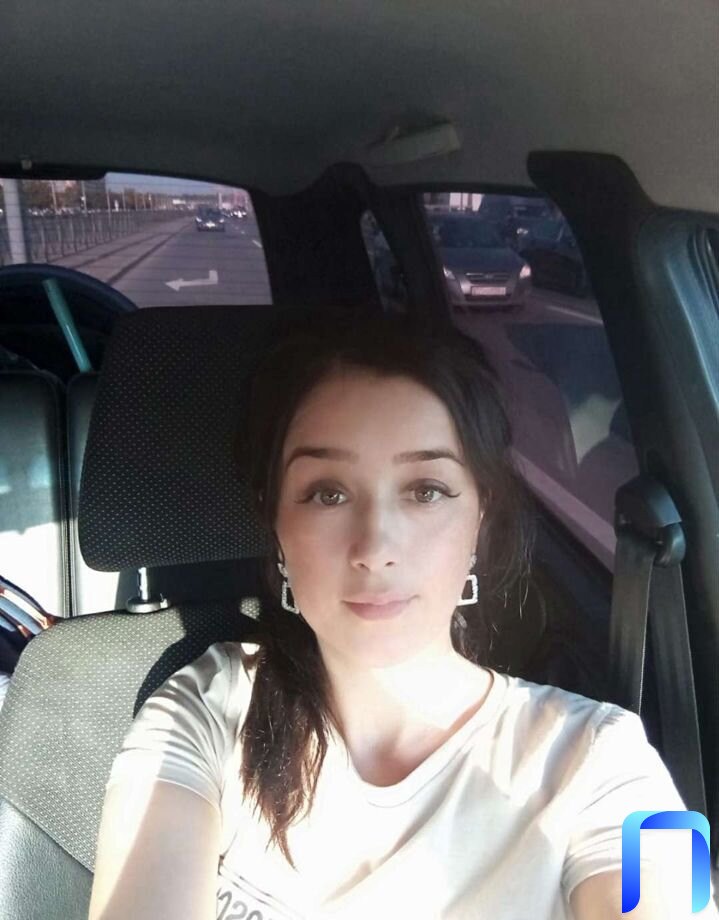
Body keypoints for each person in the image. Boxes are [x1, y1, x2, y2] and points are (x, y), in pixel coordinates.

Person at [88, 309, 716, 920]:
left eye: (426, 491)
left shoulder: (612, 756)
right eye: (327, 493)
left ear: (480, 518)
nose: (375, 547)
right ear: (274, 521)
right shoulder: (205, 708)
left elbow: (672, 891)